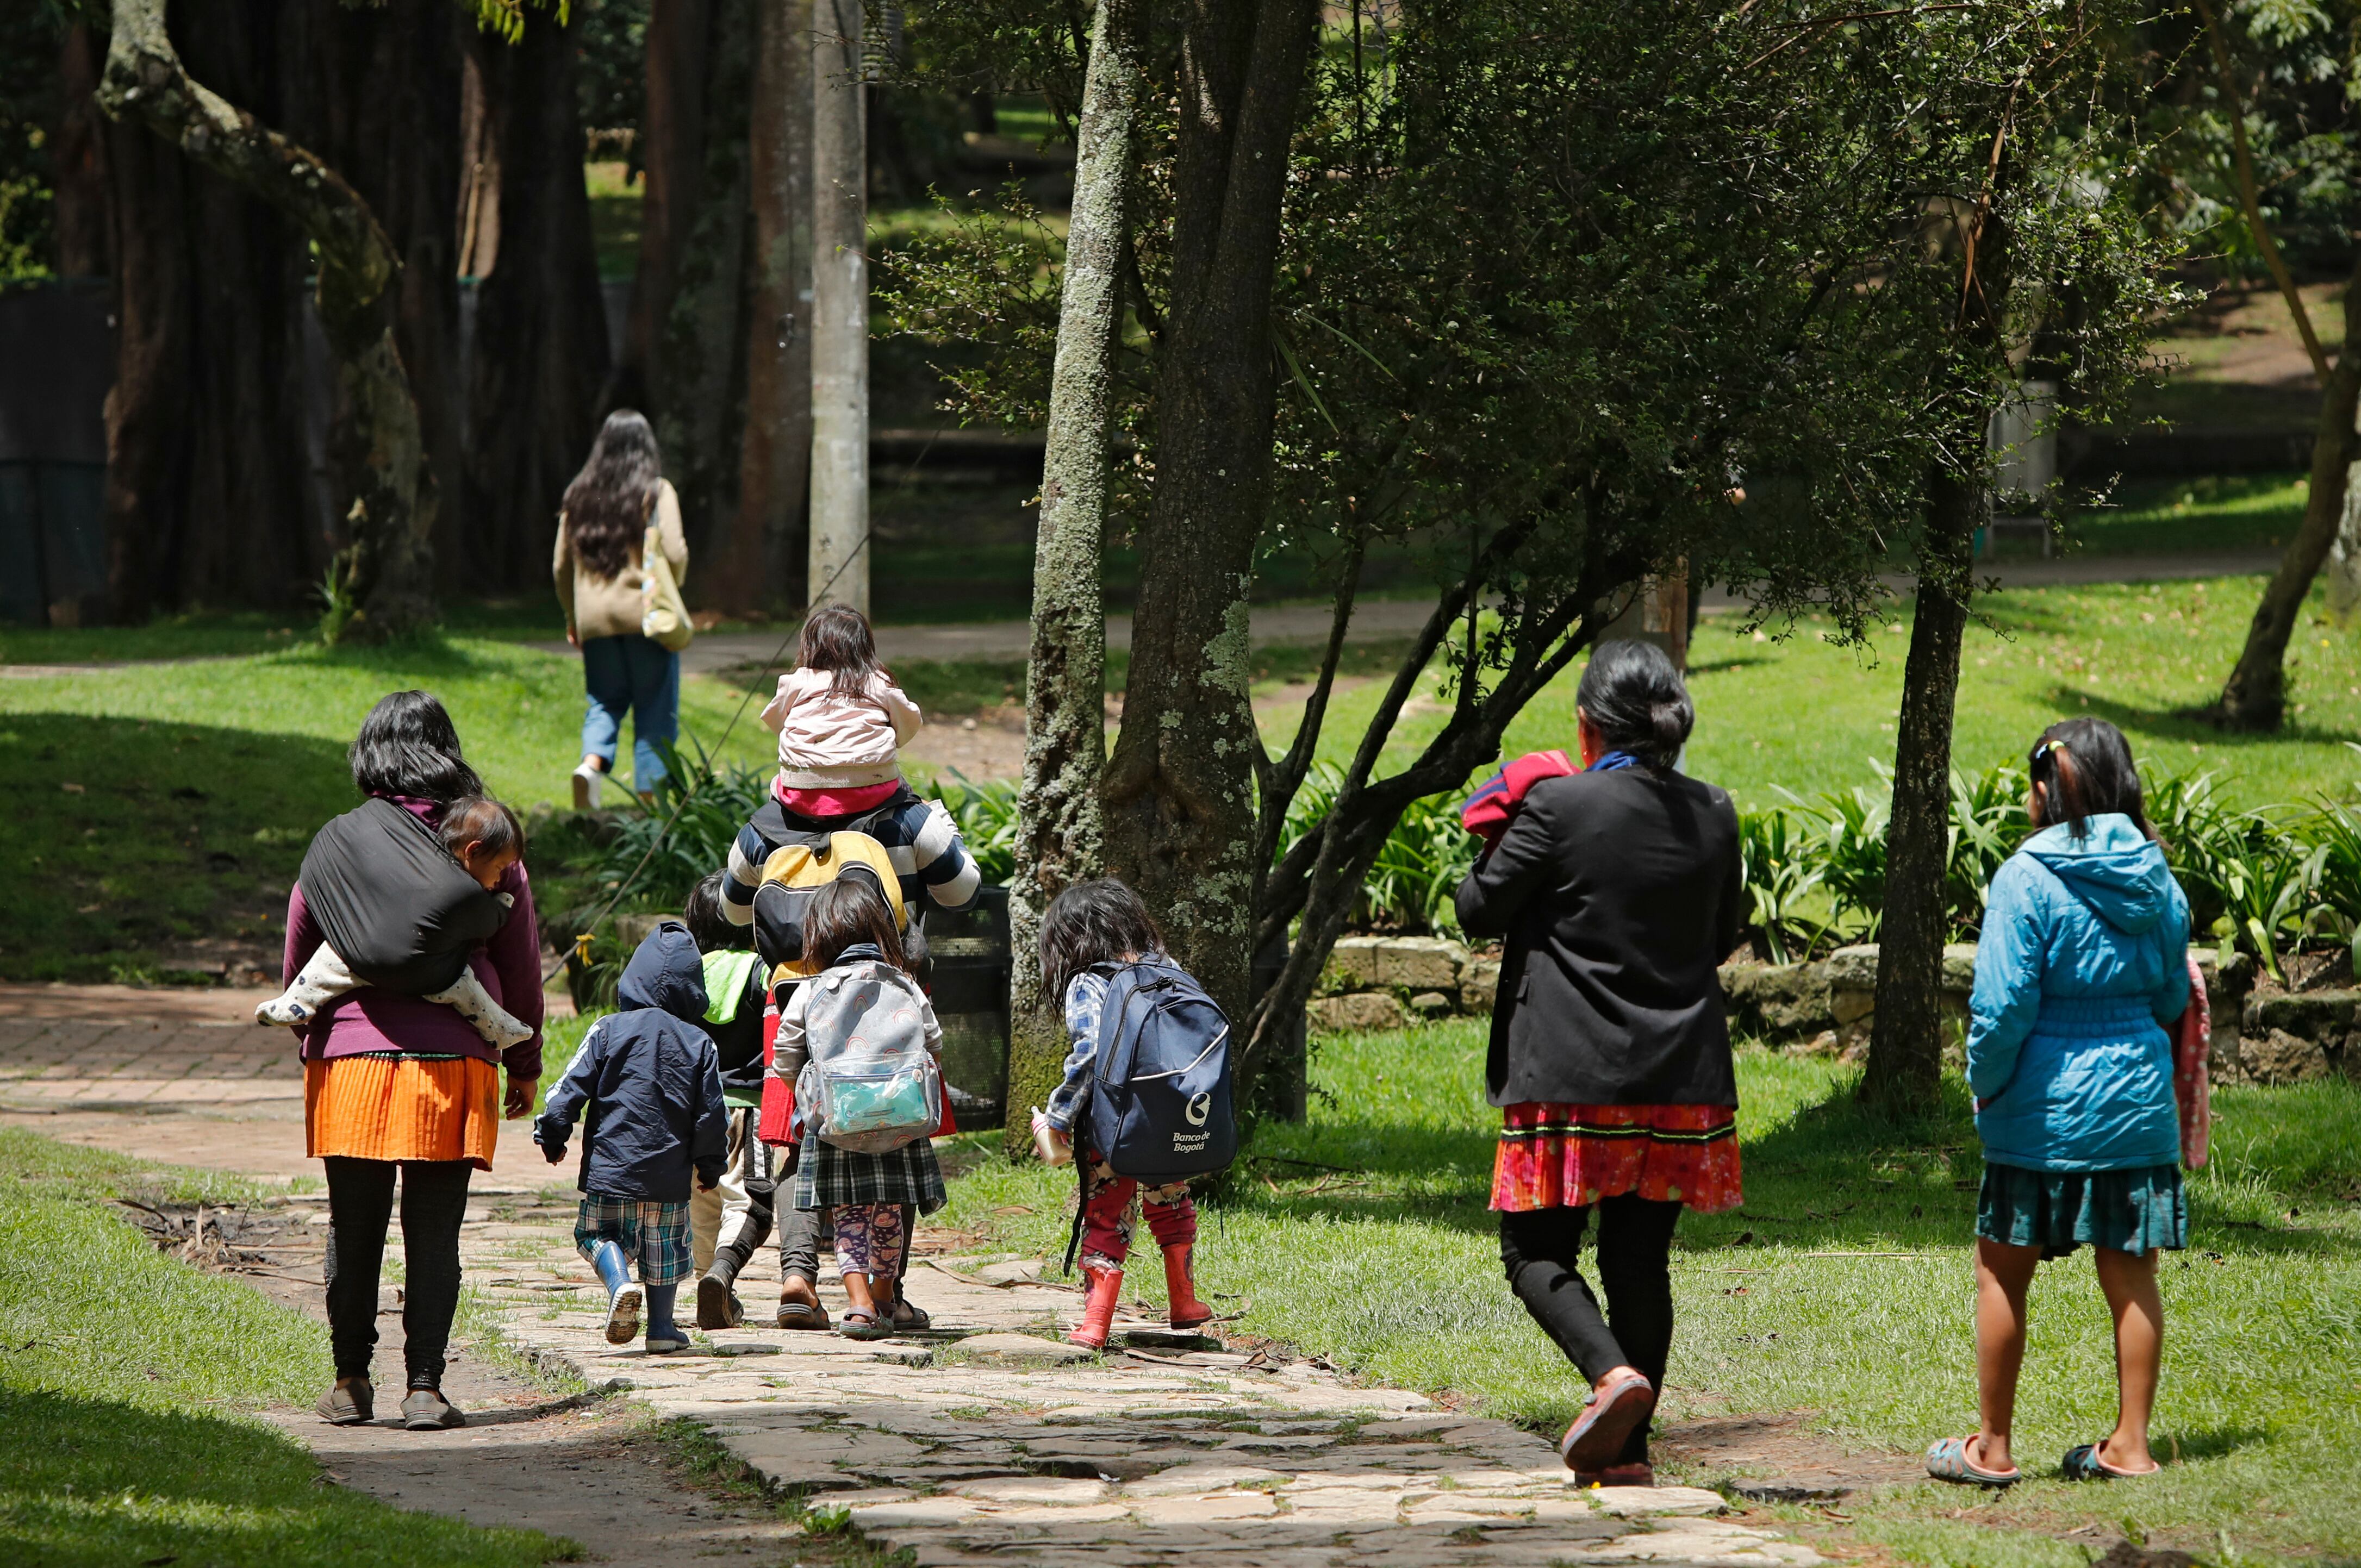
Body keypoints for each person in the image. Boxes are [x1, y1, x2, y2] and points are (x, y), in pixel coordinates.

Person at [1454, 639, 1745, 1485]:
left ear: (1585, 726)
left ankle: (1610, 1377)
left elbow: (1478, 909)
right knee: (1637, 1260)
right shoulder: (1716, 810)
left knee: (1533, 1253)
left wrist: (1502, 816)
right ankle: (1630, 1454)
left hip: (1570, 1072)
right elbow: (1724, 935)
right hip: (1680, 1077)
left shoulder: (1558, 806)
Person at [1926, 718, 2191, 1489]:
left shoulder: (2024, 877)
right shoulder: (2156, 875)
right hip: (2136, 1107)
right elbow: (2171, 993)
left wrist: (1983, 1080)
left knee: (2000, 1271)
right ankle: (2130, 1447)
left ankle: (1993, 1449)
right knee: (2130, 1271)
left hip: (2039, 1110)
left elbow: (2003, 1006)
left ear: (2047, 790)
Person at [289, 691, 543, 1432]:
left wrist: (315, 1041)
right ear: (447, 748)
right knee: (435, 1231)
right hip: (453, 1064)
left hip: (350, 1062)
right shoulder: (484, 837)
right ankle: (425, 1388)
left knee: (353, 1225)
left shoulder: (338, 843)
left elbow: (301, 951)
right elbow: (520, 964)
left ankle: (348, 1381)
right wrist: (523, 1060)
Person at [1031, 878, 1217, 1351]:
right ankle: (1185, 1301)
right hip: (1175, 1118)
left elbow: (1090, 1054)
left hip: (1113, 1127)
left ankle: (1095, 1323)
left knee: (1106, 1214)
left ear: (1070, 940)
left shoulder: (1088, 981)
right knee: (1172, 1198)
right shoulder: (1169, 969)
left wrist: (1058, 1117)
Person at [535, 921, 727, 1355]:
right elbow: (712, 1115)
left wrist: (553, 1134)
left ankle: (619, 1280)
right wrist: (711, 1166)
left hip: (612, 1171)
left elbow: (568, 1089)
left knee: (595, 1234)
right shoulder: (700, 1043)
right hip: (669, 1176)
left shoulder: (607, 1030)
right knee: (665, 1255)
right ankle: (661, 1328)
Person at [767, 879, 946, 1340]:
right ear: (881, 928)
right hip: (900, 1117)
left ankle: (859, 1303)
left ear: (819, 935)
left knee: (847, 1215)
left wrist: (811, 1097)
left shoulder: (812, 988)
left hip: (836, 1121)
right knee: (889, 1212)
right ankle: (886, 1295)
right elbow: (935, 1043)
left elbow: (785, 1054)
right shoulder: (903, 982)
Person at [258, 796, 534, 1048]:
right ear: (472, 852)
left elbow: (299, 942)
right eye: (499, 868)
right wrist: (501, 907)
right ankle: (498, 1026)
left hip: (357, 962)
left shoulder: (368, 850)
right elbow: (498, 936)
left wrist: (309, 1037)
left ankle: (296, 1002)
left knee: (327, 962)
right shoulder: (466, 895)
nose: (500, 879)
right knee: (469, 989)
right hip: (434, 978)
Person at [553, 409, 687, 808]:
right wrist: (671, 587)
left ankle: (589, 767)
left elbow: (561, 565)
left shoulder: (578, 493)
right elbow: (676, 553)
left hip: (595, 621)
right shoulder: (656, 491)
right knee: (655, 707)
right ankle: (648, 800)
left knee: (603, 701)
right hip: (646, 617)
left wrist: (572, 618)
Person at [681, 872, 787, 1330]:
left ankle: (711, 1281)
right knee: (749, 1200)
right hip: (749, 1108)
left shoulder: (684, 975)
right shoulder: (763, 974)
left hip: (690, 1112)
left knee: (701, 1203)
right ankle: (724, 1272)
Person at [760, 603, 924, 817]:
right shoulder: (879, 684)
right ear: (865, 649)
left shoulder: (795, 683)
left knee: (775, 792)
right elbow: (910, 722)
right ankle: (955, 845)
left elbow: (776, 721)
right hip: (874, 786)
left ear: (809, 648)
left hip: (801, 789)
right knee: (922, 812)